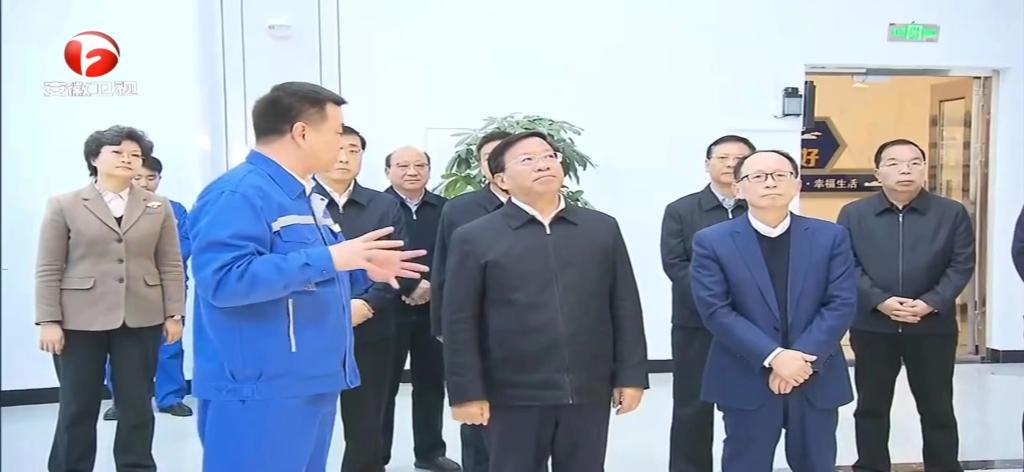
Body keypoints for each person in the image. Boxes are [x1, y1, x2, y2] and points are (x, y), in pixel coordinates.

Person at [188, 82, 429, 472]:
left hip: (311, 377)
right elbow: (224, 280)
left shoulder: (303, 197)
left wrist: (360, 267)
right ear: (301, 133)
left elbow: (313, 274)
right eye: (336, 133)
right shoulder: (239, 193)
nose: (342, 147)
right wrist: (332, 258)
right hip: (261, 387)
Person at [443, 131, 649, 472]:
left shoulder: (600, 228)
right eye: (527, 160)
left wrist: (631, 375)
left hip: (588, 388)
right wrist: (466, 392)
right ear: (501, 180)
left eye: (549, 156)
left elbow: (625, 305)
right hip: (512, 393)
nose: (543, 165)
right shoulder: (475, 237)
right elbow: (459, 320)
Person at [690, 150, 856, 471]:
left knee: (817, 464)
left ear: (797, 185)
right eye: (758, 177)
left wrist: (801, 360)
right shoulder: (711, 241)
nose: (770, 183)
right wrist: (775, 357)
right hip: (745, 376)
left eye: (780, 175)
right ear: (738, 188)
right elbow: (716, 311)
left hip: (814, 376)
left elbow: (841, 302)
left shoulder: (830, 236)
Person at [36, 125, 185, 472]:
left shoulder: (157, 205)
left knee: (136, 405)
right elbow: (48, 266)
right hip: (78, 319)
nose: (128, 159)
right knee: (77, 405)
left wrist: (174, 314)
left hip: (141, 316)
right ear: (94, 158)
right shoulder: (64, 204)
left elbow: (170, 264)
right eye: (118, 152)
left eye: (135, 155)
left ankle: (136, 466)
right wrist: (48, 320)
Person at [837, 139, 975, 472]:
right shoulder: (854, 213)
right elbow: (846, 263)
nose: (905, 170)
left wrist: (931, 302)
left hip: (932, 327)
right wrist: (880, 301)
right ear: (878, 173)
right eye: (894, 163)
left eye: (914, 163)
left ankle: (943, 466)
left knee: (937, 407)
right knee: (871, 407)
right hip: (873, 326)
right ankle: (871, 466)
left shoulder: (951, 213)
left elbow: (961, 263)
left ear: (925, 170)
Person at [312, 125, 413, 472]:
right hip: (310, 328)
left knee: (367, 423)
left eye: (353, 150)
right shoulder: (296, 203)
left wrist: (366, 304)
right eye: (336, 148)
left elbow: (398, 266)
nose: (344, 157)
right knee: (305, 421)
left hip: (371, 328)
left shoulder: (384, 205)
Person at [661, 135, 753, 472]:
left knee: (746, 405)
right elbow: (676, 266)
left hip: (751, 326)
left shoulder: (760, 208)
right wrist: (717, 302)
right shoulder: (681, 210)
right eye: (723, 157)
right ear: (707, 164)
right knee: (692, 406)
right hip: (696, 324)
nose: (730, 164)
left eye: (739, 159)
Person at [430, 130, 512, 472]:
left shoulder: (547, 207)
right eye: (488, 158)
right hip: (475, 325)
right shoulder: (460, 209)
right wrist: (442, 326)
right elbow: (443, 270)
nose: (495, 163)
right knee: (477, 416)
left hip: (529, 330)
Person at [381, 146, 459, 471]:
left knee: (431, 383)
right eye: (402, 165)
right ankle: (376, 457)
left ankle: (430, 453)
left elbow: (456, 254)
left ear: (429, 169)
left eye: (419, 165)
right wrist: (409, 286)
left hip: (433, 308)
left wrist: (431, 288)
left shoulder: (446, 208)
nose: (412, 171)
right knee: (383, 388)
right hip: (387, 306)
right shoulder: (377, 206)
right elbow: (375, 255)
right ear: (388, 171)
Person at [104, 155, 193, 420]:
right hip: (122, 286)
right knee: (119, 345)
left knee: (169, 342)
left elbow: (183, 248)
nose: (144, 183)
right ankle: (122, 401)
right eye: (137, 177)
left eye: (151, 178)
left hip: (167, 286)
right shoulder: (111, 209)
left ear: (159, 179)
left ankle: (170, 398)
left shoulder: (175, 210)